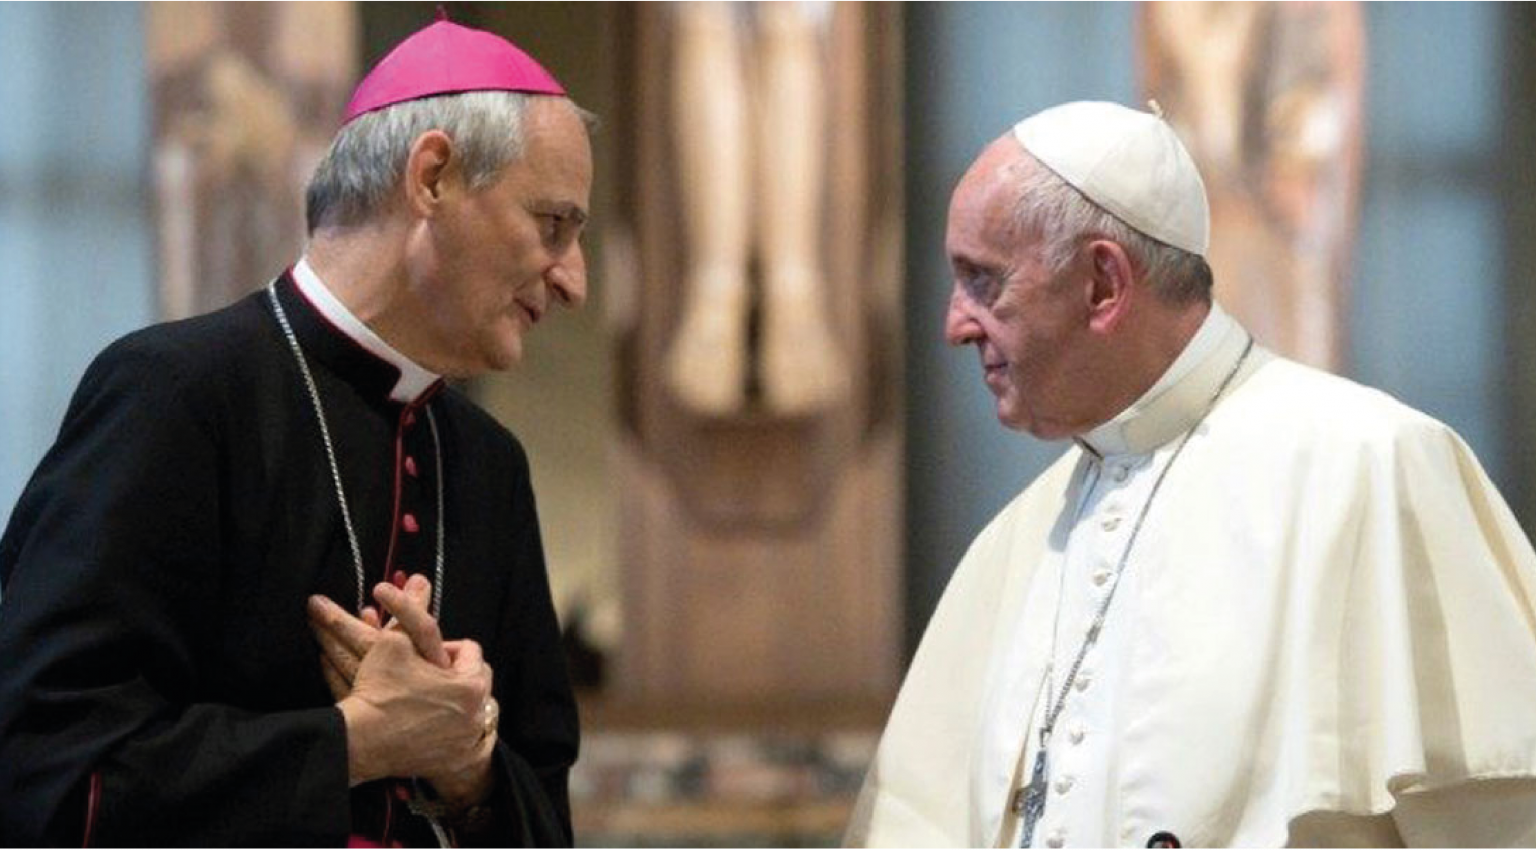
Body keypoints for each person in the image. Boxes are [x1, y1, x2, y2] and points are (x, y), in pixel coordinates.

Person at [844, 101, 1536, 848]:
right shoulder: (1014, 541)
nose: (954, 325)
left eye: (984, 281)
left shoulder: (1370, 466)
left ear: (1103, 284)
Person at [0, 15, 590, 848]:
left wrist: (468, 766)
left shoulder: (490, 467)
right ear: (432, 177)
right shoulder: (176, 395)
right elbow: (46, 776)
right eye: (553, 224)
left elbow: (546, 813)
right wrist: (357, 743)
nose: (574, 282)